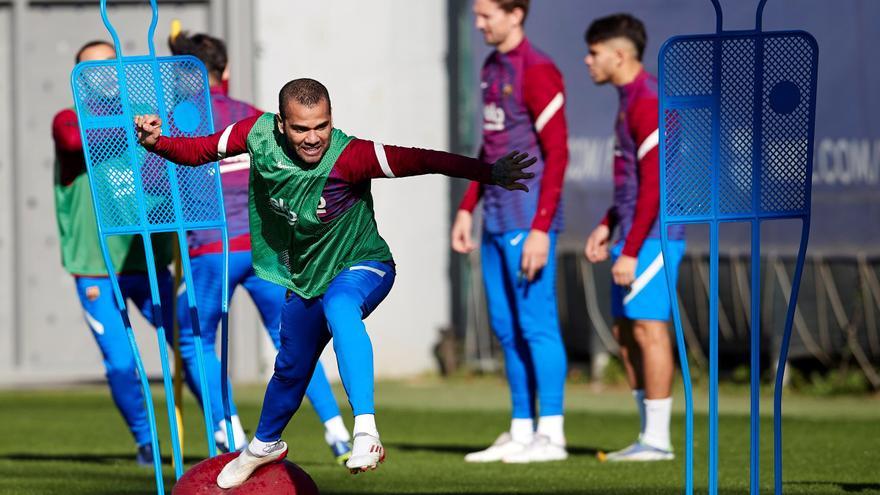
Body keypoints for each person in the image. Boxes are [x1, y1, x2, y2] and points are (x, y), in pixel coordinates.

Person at [133, 77, 535, 486]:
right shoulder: (255, 134)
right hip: (307, 277)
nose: (313, 138)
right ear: (280, 125)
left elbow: (423, 159)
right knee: (290, 367)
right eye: (301, 128)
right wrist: (157, 143)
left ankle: (365, 430)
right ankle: (263, 444)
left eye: (321, 126)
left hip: (364, 264)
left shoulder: (351, 156)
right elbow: (199, 151)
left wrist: (489, 173)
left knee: (341, 306)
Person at [167, 30, 353, 463]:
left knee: (195, 338)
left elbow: (157, 183)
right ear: (226, 70)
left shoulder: (178, 119)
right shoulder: (257, 119)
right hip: (266, 249)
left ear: (183, 77)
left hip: (212, 251)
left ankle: (227, 428)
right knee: (294, 340)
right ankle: (336, 431)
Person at [53, 40, 204, 466]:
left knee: (193, 342)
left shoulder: (150, 121)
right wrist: (138, 126)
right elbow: (71, 138)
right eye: (91, 68)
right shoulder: (71, 120)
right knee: (121, 364)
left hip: (151, 263)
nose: (101, 73)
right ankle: (146, 442)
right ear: (77, 77)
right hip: (97, 268)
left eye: (109, 65)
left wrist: (187, 78)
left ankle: (221, 424)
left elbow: (194, 118)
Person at [450, 0, 570, 463]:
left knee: (537, 325)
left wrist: (541, 228)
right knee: (505, 326)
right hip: (495, 216)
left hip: (527, 218)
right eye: (476, 16)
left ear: (516, 13)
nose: (478, 23)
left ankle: (552, 434)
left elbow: (558, 154)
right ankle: (522, 429)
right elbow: (490, 146)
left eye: (487, 16)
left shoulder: (538, 70)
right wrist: (467, 206)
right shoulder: (490, 65)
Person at [582, 13, 686, 462]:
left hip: (657, 235)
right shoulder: (628, 101)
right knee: (626, 332)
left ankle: (659, 441)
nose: (587, 60)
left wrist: (632, 246)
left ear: (619, 54)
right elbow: (631, 184)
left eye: (594, 52)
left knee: (649, 329)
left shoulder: (648, 99)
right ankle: (648, 436)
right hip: (632, 233)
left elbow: (657, 185)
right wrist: (608, 223)